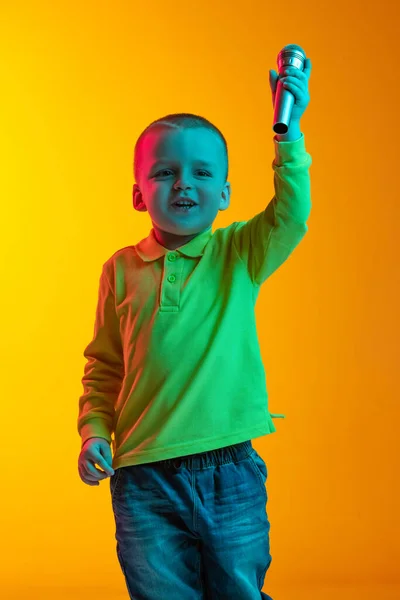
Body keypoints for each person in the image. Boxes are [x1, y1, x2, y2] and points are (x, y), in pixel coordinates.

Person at [77, 59, 313, 599]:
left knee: (237, 589)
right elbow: (104, 365)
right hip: (141, 476)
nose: (184, 183)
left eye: (202, 173)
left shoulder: (240, 254)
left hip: (228, 468)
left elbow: (291, 214)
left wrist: (290, 132)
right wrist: (94, 430)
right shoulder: (119, 269)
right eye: (165, 172)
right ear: (139, 193)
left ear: (225, 194)